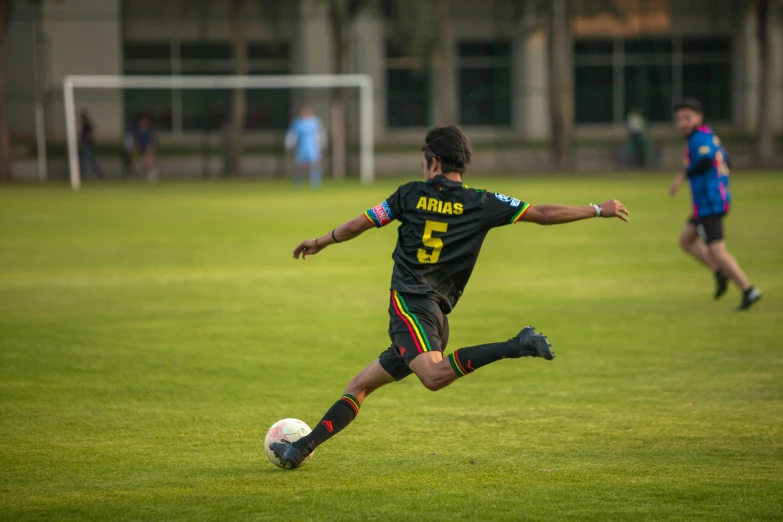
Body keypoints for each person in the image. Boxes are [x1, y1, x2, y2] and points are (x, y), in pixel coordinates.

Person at [270, 125, 631, 469]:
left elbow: (361, 223)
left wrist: (321, 241)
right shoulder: (482, 202)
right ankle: (300, 449)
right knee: (361, 385)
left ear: (433, 162)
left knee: (433, 376)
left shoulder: (408, 194)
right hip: (437, 318)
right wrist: (597, 209)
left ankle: (517, 344)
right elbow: (542, 213)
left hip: (411, 306)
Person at [669, 99, 761, 310]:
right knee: (686, 240)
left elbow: (706, 160)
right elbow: (726, 161)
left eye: (687, 118)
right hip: (705, 203)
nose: (682, 123)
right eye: (679, 119)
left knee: (717, 250)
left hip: (710, 204)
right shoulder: (707, 136)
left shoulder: (699, 138)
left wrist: (683, 175)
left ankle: (748, 289)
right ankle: (719, 272)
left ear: (699, 118)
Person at [285, 105, 326, 188]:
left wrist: (322, 143)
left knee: (315, 166)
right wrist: (289, 144)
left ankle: (315, 184)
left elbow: (321, 133)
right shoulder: (297, 123)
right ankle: (298, 183)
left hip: (314, 148)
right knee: (300, 166)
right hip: (302, 147)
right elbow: (292, 135)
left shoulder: (315, 122)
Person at [78, 111, 104, 179]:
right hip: (86, 145)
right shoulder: (85, 125)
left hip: (87, 145)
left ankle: (98, 172)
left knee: (88, 160)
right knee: (86, 160)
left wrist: (85, 143)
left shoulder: (87, 125)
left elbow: (89, 134)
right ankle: (83, 174)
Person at [137, 116, 158, 182]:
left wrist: (150, 147)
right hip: (142, 147)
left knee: (149, 160)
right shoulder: (139, 130)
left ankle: (152, 174)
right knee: (145, 162)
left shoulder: (150, 130)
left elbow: (152, 138)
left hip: (149, 147)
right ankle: (149, 174)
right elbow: (138, 140)